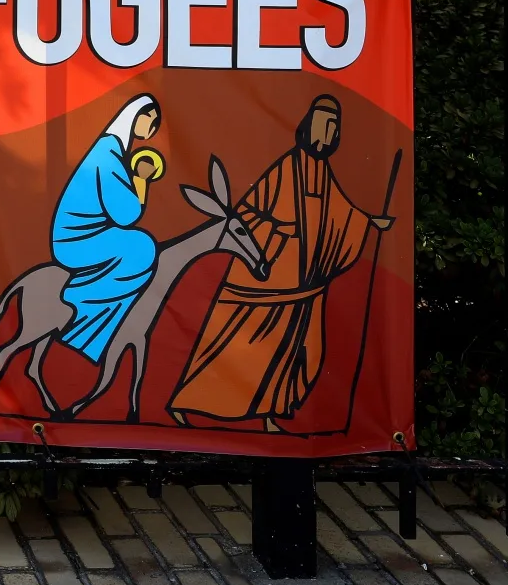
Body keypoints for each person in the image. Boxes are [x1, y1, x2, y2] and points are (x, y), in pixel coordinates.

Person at [167, 95, 395, 430]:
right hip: (267, 280)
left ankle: (273, 411)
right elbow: (246, 214)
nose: (326, 133)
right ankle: (185, 403)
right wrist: (279, 229)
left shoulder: (322, 170)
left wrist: (369, 222)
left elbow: (341, 212)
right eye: (321, 124)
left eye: (333, 127)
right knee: (232, 347)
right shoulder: (287, 167)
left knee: (301, 352)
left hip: (306, 285)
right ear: (307, 127)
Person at [50, 95, 163, 362]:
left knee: (140, 246)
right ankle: (80, 311)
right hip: (76, 240)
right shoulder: (107, 154)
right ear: (137, 116)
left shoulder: (112, 151)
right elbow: (126, 214)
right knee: (141, 246)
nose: (153, 128)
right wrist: (141, 180)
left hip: (89, 235)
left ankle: (91, 323)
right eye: (152, 120)